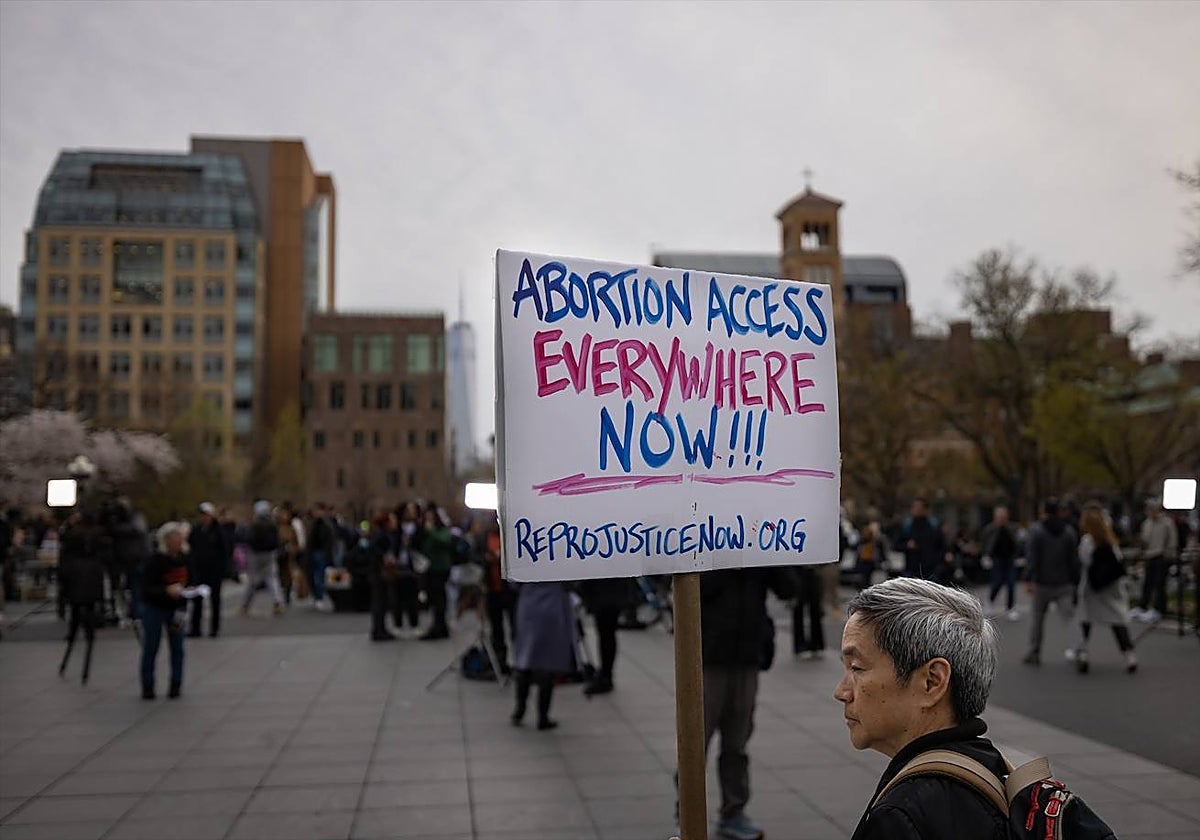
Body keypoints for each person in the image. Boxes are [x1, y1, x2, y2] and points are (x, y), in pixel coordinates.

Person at [836, 578, 1006, 839]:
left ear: (932, 682)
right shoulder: (998, 772)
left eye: (857, 668)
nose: (841, 692)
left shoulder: (904, 817)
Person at [688, 567, 795, 840]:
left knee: (737, 742)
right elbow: (693, 588)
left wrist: (770, 559)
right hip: (707, 656)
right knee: (694, 742)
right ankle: (687, 814)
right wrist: (729, 563)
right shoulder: (707, 542)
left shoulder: (758, 556)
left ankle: (733, 811)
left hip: (746, 656)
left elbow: (789, 588)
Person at [1073, 501, 1137, 674]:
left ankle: (1083, 651)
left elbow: (1084, 561)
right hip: (1110, 587)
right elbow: (1118, 561)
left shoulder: (1087, 541)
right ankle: (1129, 654)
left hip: (1091, 587)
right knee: (1117, 621)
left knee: (1085, 619)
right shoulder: (1110, 540)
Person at [1022, 498, 1079, 666]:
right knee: (1070, 619)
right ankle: (1079, 649)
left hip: (1042, 582)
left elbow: (1032, 557)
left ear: (1044, 512)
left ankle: (1034, 651)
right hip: (1064, 583)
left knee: (1038, 619)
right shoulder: (1068, 531)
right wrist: (1075, 580)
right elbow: (1073, 560)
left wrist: (1028, 578)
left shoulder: (1037, 531)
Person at [510, 580, 575, 730]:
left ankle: (519, 709)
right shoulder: (561, 558)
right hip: (554, 604)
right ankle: (543, 716)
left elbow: (513, 582)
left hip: (529, 604)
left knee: (525, 658)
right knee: (548, 661)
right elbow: (573, 582)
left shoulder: (525, 556)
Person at [58, 511, 112, 684]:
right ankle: (88, 630)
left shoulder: (73, 538)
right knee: (87, 613)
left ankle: (76, 633)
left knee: (76, 613)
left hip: (76, 582)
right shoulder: (97, 538)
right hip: (90, 581)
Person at [140, 522, 190, 699]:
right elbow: (146, 587)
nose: (179, 541)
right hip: (156, 607)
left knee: (177, 647)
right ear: (166, 540)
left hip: (177, 609)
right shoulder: (155, 560)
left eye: (180, 537)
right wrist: (165, 590)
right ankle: (148, 685)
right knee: (151, 647)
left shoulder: (184, 559)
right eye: (175, 537)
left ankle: (176, 683)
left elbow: (191, 580)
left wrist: (188, 592)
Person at [579, 577, 634, 695]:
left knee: (606, 636)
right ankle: (606, 673)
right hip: (612, 593)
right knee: (607, 635)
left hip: (604, 595)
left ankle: (606, 676)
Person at [188, 502, 230, 637]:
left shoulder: (218, 531)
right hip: (199, 571)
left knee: (215, 601)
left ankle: (214, 628)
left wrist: (224, 569)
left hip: (214, 571)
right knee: (197, 601)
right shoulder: (196, 531)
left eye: (206, 515)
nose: (204, 518)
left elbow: (225, 551)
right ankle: (195, 628)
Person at [1132, 499, 1177, 623]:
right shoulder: (1147, 523)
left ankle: (1159, 608)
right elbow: (1145, 539)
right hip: (1149, 555)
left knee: (1159, 584)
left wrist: (1168, 554)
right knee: (1147, 582)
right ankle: (1142, 606)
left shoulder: (1166, 522)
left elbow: (1172, 540)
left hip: (1161, 555)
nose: (1149, 511)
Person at [480, 516, 515, 672]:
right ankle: (500, 663)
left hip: (509, 590)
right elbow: (475, 555)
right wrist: (486, 558)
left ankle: (521, 662)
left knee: (516, 627)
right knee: (496, 629)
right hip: (492, 589)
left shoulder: (510, 535)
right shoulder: (484, 538)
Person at [240, 501, 284, 616]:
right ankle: (277, 602)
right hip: (269, 554)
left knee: (252, 581)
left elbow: (249, 539)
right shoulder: (272, 524)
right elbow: (277, 541)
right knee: (272, 579)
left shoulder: (255, 525)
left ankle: (245, 605)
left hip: (255, 555)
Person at [417, 505, 454, 640]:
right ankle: (438, 625)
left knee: (439, 598)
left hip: (440, 568)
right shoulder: (425, 532)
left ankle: (440, 626)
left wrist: (431, 532)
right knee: (434, 599)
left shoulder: (441, 531)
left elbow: (444, 541)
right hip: (429, 568)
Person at [980, 505, 1020, 621]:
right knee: (997, 582)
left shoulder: (1011, 528)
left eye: (1003, 516)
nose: (1001, 519)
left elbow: (1017, 543)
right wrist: (985, 556)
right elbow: (985, 544)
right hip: (996, 560)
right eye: (999, 516)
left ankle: (1011, 608)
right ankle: (990, 602)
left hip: (1010, 560)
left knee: (1011, 584)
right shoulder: (990, 529)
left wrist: (1018, 556)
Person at [367, 512, 398, 641]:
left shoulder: (382, 534)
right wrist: (384, 558)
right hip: (380, 572)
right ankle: (378, 630)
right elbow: (374, 550)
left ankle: (380, 628)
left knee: (382, 601)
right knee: (380, 601)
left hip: (379, 571)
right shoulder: (381, 536)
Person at [900, 498, 949, 579]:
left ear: (926, 510)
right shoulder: (907, 526)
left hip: (931, 570)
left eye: (918, 508)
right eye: (914, 507)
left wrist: (939, 560)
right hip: (912, 569)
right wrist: (907, 545)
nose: (915, 510)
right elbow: (897, 544)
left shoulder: (934, 526)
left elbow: (942, 546)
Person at [307, 502, 335, 612]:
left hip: (321, 552)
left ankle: (319, 597)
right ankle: (317, 596)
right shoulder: (314, 524)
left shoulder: (326, 524)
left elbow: (329, 540)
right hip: (314, 552)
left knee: (320, 576)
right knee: (315, 575)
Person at [791, 566, 824, 659]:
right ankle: (804, 645)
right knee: (800, 608)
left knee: (813, 607)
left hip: (807, 569)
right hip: (801, 569)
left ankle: (814, 644)